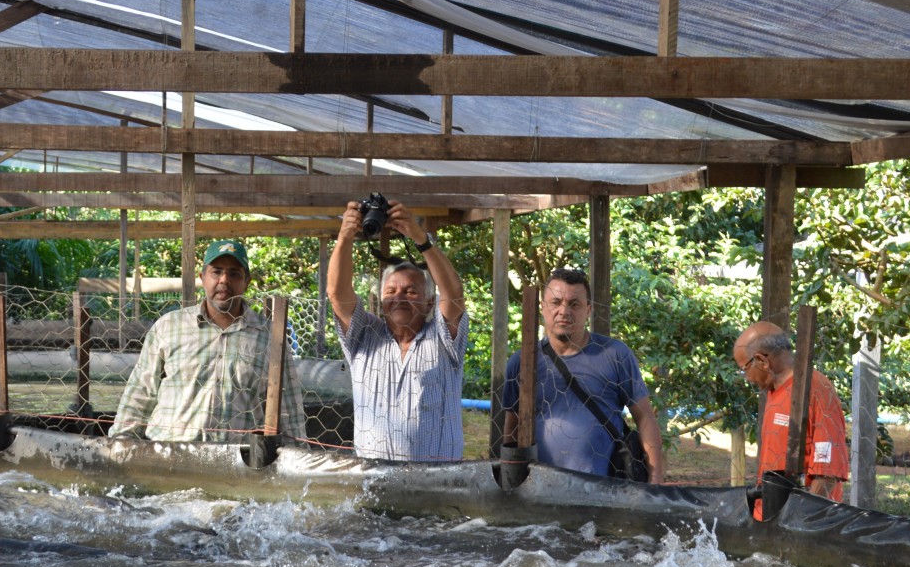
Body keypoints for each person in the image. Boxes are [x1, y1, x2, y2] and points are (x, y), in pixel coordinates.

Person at [108, 239, 306, 442]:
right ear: (203, 278)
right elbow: (140, 393)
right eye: (216, 271)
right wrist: (119, 446)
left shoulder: (270, 337)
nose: (224, 280)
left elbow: (289, 411)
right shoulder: (169, 327)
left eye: (234, 273)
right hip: (168, 456)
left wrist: (297, 458)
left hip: (237, 463)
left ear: (246, 282)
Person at [327, 198, 468, 461]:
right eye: (391, 291)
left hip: (437, 485)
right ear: (381, 302)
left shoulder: (442, 338)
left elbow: (454, 295)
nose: (400, 297)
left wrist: (419, 237)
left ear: (429, 302)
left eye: (411, 291)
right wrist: (345, 237)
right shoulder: (365, 336)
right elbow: (337, 294)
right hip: (373, 484)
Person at [502, 267, 666, 481]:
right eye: (556, 302)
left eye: (574, 304)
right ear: (543, 307)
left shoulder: (615, 355)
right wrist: (511, 481)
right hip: (540, 491)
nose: (564, 311)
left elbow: (644, 416)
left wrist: (655, 481)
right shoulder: (523, 362)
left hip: (604, 490)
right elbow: (511, 427)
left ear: (588, 309)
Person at [733, 321, 849, 518]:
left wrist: (798, 522)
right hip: (770, 516)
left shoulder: (814, 389)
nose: (747, 378)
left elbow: (827, 473)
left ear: (762, 361)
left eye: (744, 369)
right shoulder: (773, 391)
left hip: (801, 523)